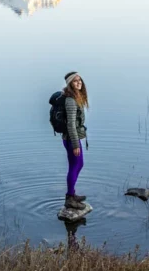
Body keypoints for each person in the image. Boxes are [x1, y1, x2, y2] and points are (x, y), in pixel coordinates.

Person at [61, 71, 88, 210]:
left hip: (72, 138)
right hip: (72, 139)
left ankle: (71, 194)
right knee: (75, 166)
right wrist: (76, 144)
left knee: (78, 164)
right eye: (75, 81)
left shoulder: (76, 97)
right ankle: (70, 198)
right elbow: (70, 124)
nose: (79, 83)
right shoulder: (71, 100)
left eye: (80, 80)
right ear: (70, 84)